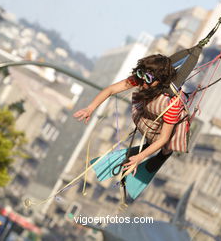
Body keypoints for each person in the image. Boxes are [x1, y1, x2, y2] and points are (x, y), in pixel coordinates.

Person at [74, 54, 190, 199]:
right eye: (141, 75)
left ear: (159, 82)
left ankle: (160, 157)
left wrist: (139, 158)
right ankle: (143, 149)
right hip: (148, 117)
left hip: (168, 129)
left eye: (148, 79)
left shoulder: (171, 103)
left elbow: (163, 138)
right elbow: (111, 90)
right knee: (150, 140)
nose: (143, 82)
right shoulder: (141, 79)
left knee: (166, 147)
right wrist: (90, 108)